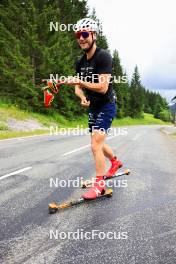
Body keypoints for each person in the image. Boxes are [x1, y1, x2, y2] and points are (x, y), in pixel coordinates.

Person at [66, 18, 122, 199]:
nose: (81, 38)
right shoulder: (80, 62)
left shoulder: (103, 56)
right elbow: (77, 88)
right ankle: (115, 162)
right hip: (94, 107)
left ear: (93, 35)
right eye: (78, 35)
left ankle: (99, 186)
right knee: (98, 142)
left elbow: (103, 87)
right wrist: (82, 97)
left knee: (95, 144)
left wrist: (80, 82)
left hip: (107, 105)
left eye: (84, 34)